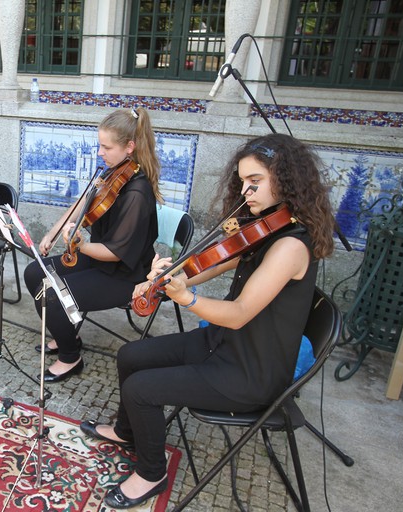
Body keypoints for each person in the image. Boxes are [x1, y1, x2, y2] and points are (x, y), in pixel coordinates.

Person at [80, 133, 335, 509]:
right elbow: (212, 263)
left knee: (140, 390)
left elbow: (239, 313)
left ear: (287, 180)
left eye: (255, 181)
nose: (246, 192)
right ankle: (126, 431)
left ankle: (151, 474)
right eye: (242, 182)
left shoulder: (289, 246)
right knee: (130, 355)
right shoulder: (266, 227)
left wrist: (188, 298)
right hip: (224, 343)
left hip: (250, 372)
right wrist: (167, 278)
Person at [23, 107, 162, 383]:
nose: (100, 153)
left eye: (106, 147)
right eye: (100, 145)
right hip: (101, 259)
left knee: (50, 295)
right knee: (34, 272)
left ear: (129, 147)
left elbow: (115, 253)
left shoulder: (137, 193)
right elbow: (84, 201)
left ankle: (70, 357)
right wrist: (54, 231)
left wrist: (81, 245)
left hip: (127, 274)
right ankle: (67, 332)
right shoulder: (117, 171)